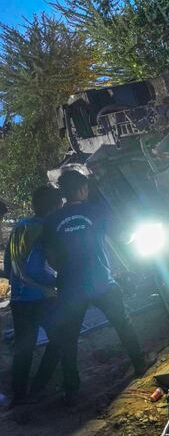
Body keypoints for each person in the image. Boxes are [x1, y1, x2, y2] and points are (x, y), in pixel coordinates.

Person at [43, 170, 148, 404]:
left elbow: (50, 257)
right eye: (86, 188)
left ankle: (71, 389)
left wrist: (67, 270)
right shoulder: (95, 211)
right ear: (81, 189)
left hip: (70, 288)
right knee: (123, 323)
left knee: (68, 340)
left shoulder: (51, 221)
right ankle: (141, 365)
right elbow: (120, 236)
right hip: (101, 281)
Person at [2, 186, 62, 407]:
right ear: (55, 206)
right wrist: (57, 281)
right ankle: (38, 387)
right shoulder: (45, 229)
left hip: (18, 299)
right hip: (42, 298)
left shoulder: (19, 227)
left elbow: (8, 265)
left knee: (23, 349)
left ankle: (19, 396)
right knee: (60, 341)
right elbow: (38, 269)